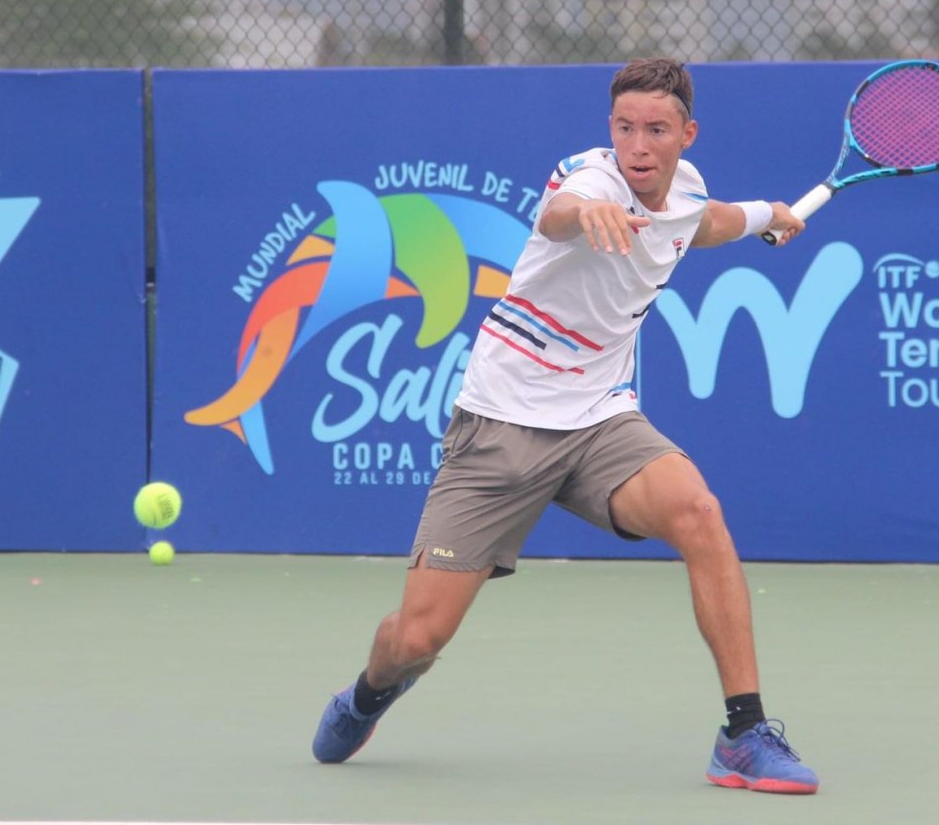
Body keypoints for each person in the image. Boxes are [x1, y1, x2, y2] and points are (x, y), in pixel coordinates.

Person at [312, 57, 818, 795]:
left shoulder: (686, 187)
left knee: (699, 512)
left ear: (687, 133)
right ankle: (369, 692)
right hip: (500, 426)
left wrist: (769, 214)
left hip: (600, 419)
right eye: (624, 128)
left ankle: (744, 732)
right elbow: (562, 210)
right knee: (416, 639)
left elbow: (701, 222)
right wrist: (588, 211)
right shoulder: (586, 178)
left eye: (655, 130)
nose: (637, 146)